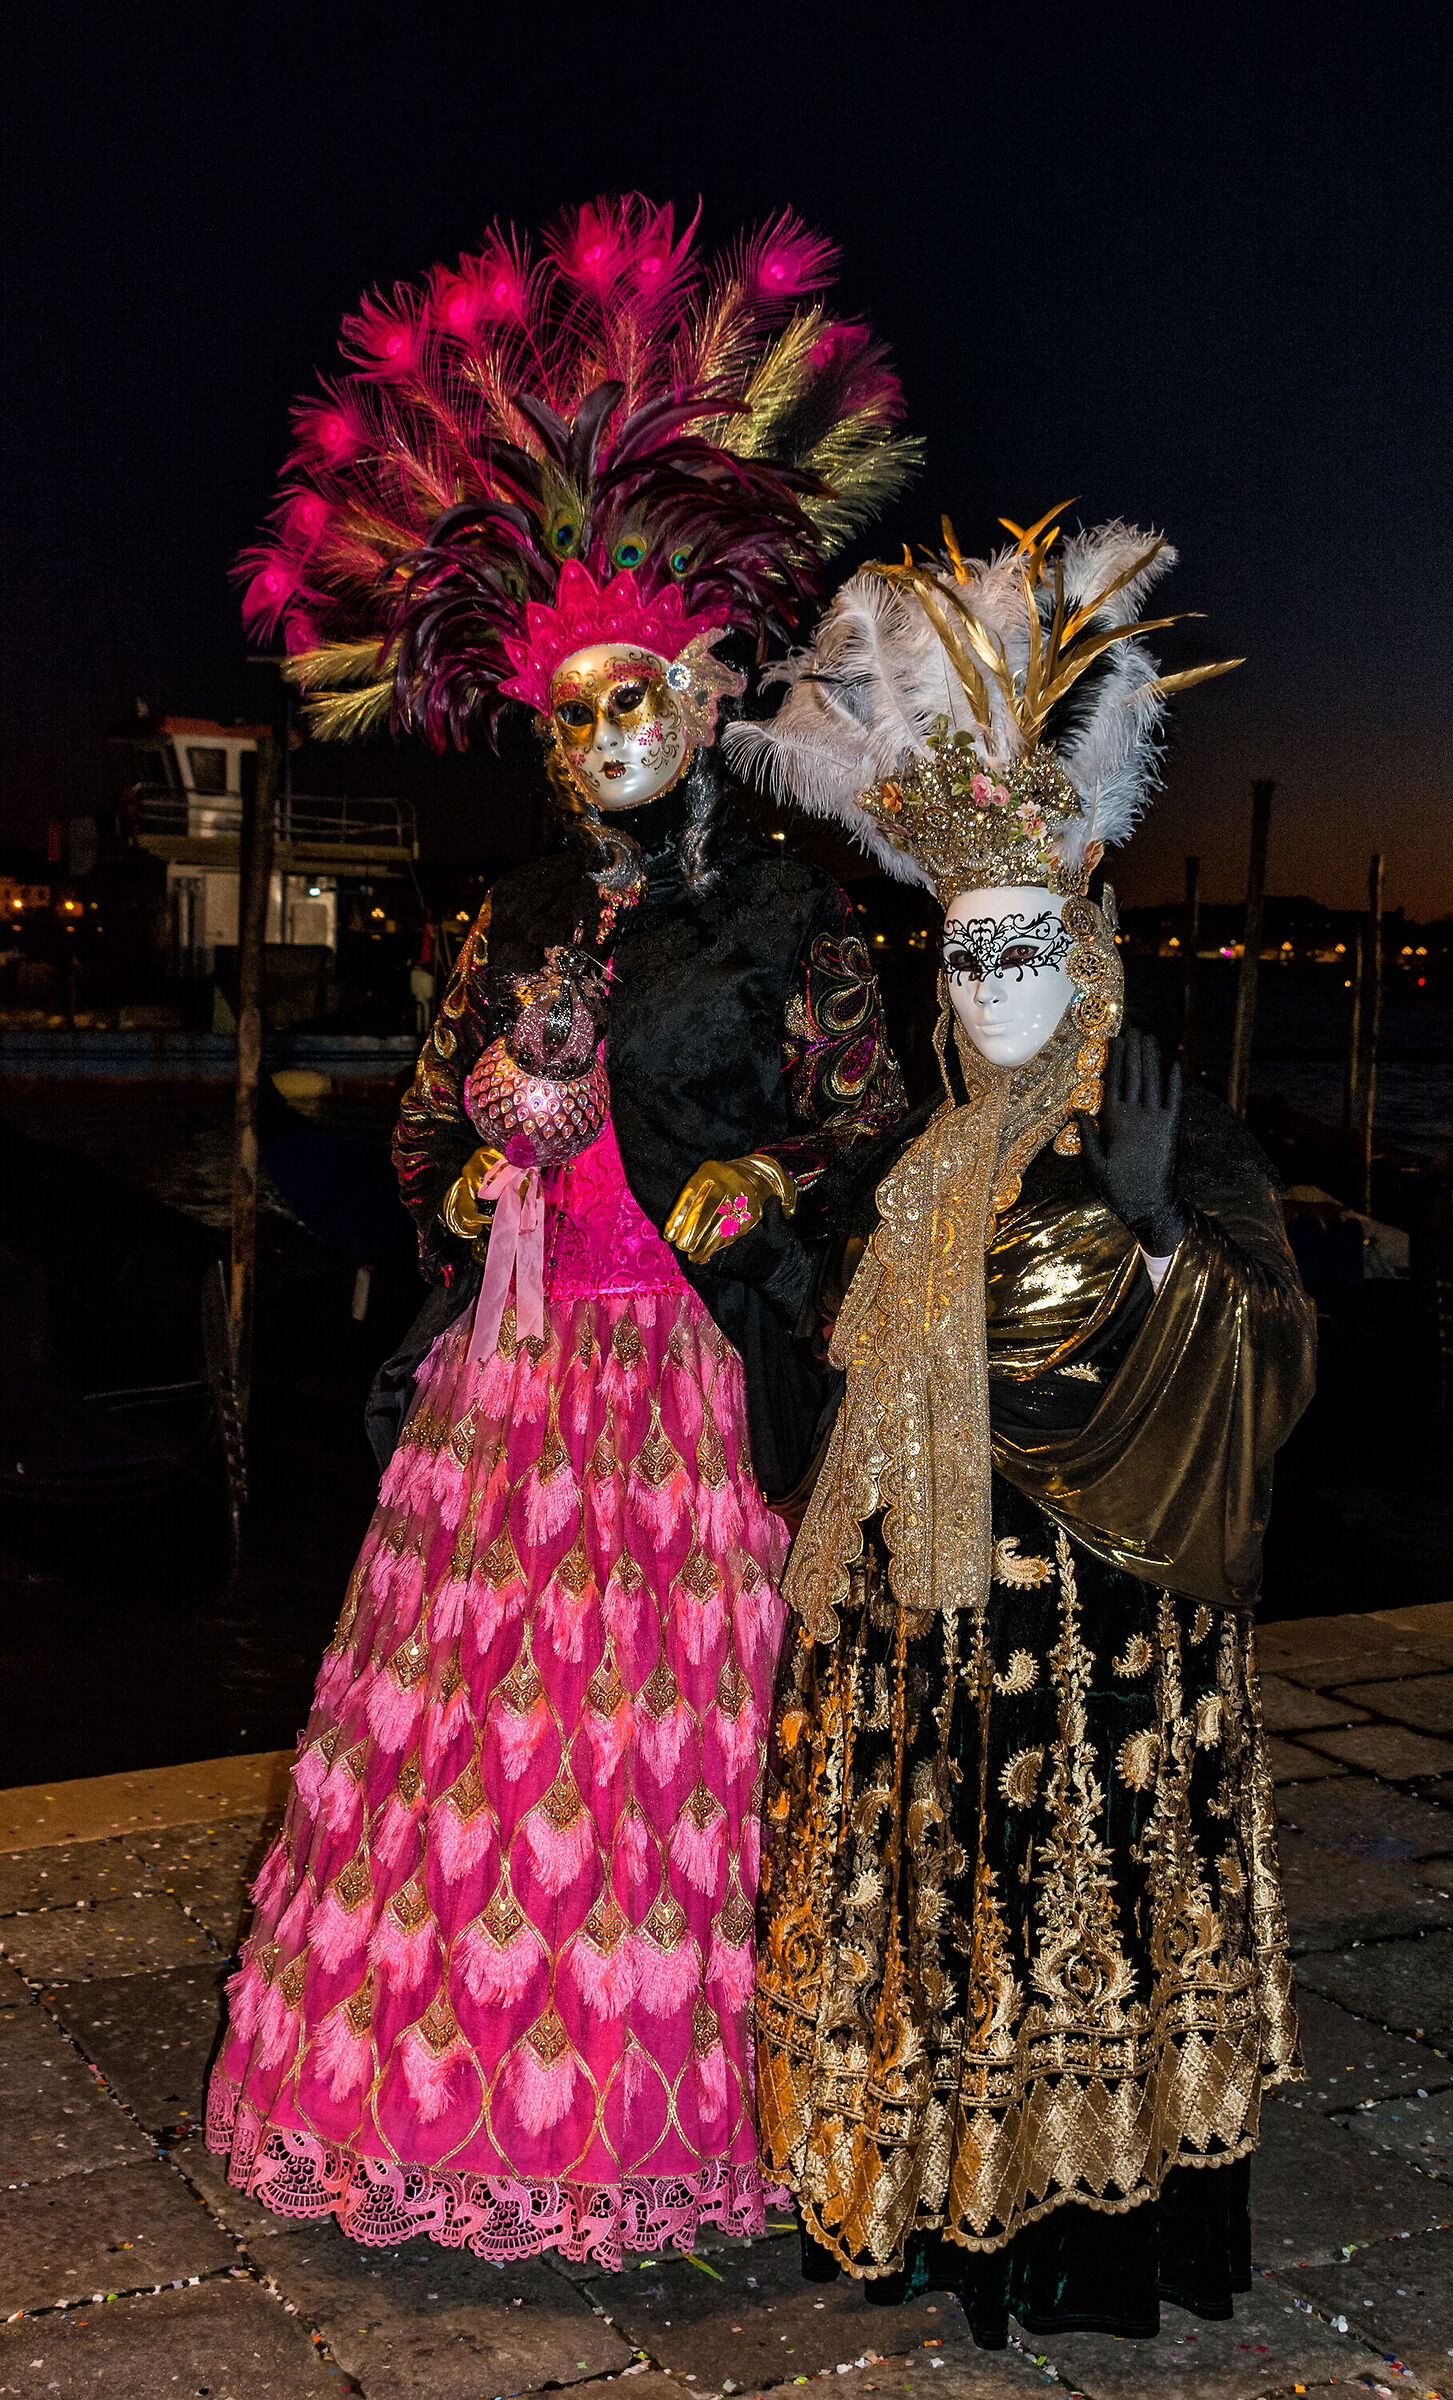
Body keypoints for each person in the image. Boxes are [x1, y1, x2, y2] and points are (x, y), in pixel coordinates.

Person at [206, 195, 914, 2269]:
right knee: (486, 1770)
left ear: (704, 700)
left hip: (696, 1387)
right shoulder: (508, 920)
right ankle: (462, 2120)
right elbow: (429, 1126)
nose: (602, 741)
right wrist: (485, 1155)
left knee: (673, 1779)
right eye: (569, 713)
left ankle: (712, 2130)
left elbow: (867, 1123)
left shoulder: (787, 914)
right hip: (514, 1389)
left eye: (637, 702)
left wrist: (760, 1184)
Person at [735, 517, 1317, 2343]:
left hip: (1100, 1651)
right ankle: (917, 2197)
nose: (994, 988)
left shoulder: (1175, 1127)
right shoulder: (920, 1171)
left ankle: (1077, 2225)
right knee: (931, 1918)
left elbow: (1276, 1362)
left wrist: (1156, 1238)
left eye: (1025, 948)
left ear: (1085, 947)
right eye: (964, 955)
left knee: (1062, 1909)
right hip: (930, 1648)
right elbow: (847, 1394)